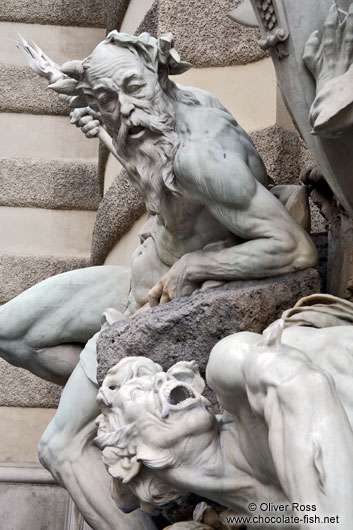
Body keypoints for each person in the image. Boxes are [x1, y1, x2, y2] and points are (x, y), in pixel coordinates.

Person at [1, 31, 317, 530]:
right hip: (140, 273)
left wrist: (195, 267)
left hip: (157, 305)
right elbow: (163, 178)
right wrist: (106, 127)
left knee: (59, 446)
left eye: (132, 87)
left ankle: (129, 413)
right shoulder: (161, 119)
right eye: (109, 99)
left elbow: (294, 248)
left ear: (158, 74)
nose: (124, 109)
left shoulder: (202, 157)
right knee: (8, 330)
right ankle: (120, 399)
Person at [96, 295, 353, 530]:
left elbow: (302, 386)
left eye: (163, 376)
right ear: (130, 453)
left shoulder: (226, 367)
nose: (164, 381)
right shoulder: (261, 513)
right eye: (138, 391)